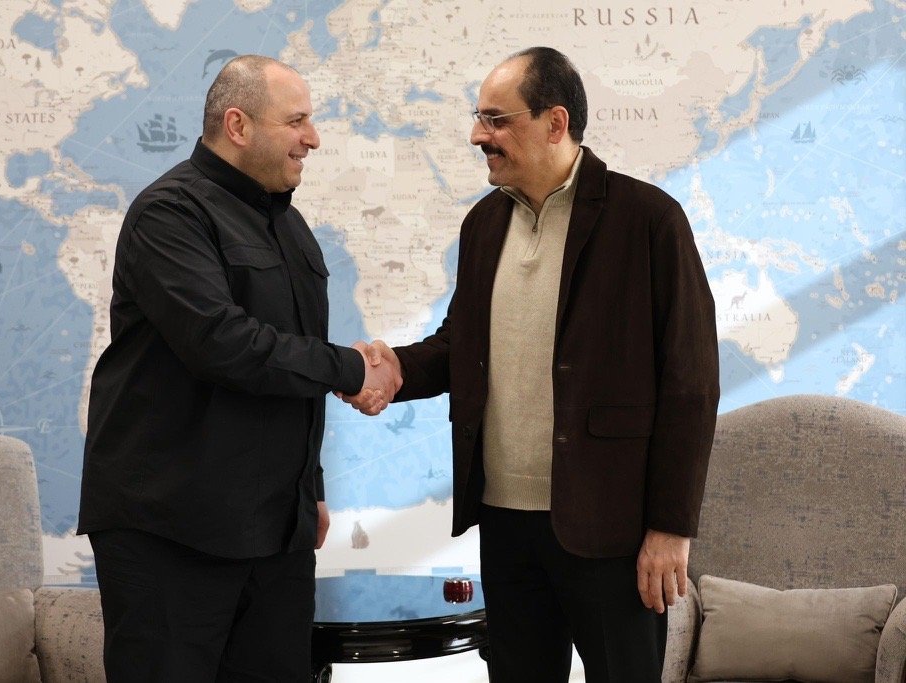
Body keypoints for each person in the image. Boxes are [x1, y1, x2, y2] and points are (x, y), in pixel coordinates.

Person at [346, 47, 719, 681]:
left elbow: (692, 384)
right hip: (504, 524)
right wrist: (393, 369)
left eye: (495, 120)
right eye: (478, 118)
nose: (477, 135)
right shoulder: (482, 224)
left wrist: (669, 528)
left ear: (555, 122)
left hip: (612, 529)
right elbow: (462, 346)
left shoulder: (649, 220)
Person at [77, 55, 398, 682]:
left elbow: (292, 364)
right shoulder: (168, 214)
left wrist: (310, 489)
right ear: (238, 125)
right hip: (172, 531)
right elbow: (222, 343)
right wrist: (352, 368)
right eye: (296, 121)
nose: (313, 138)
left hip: (276, 530)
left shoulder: (291, 225)